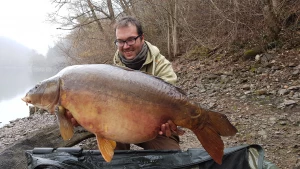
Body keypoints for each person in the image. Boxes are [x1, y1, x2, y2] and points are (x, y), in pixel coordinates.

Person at [66, 16, 184, 151]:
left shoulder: (161, 65)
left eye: (130, 40)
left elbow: (174, 102)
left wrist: (169, 121)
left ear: (142, 38)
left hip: (155, 129)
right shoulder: (111, 71)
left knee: (172, 157)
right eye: (120, 41)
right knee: (110, 141)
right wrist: (82, 117)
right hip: (122, 125)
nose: (126, 46)